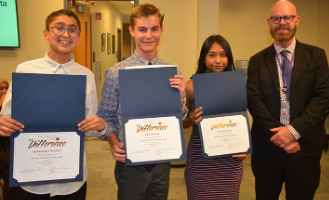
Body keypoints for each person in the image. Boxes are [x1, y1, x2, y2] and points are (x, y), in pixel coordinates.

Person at [0, 9, 107, 200]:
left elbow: (89, 128)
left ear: (78, 37)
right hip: (31, 178)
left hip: (71, 180)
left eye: (72, 30)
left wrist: (99, 125)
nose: (66, 34)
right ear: (46, 34)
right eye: (59, 28)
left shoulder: (86, 75)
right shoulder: (26, 70)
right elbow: (7, 118)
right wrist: (3, 124)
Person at [97, 4, 187, 200]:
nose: (149, 35)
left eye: (154, 29)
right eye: (142, 29)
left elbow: (180, 117)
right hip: (131, 162)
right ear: (132, 31)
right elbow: (105, 116)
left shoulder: (172, 73)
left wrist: (180, 98)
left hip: (162, 161)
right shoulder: (115, 73)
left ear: (161, 30)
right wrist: (113, 143)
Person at [247, 1, 329, 199]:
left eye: (287, 17)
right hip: (268, 148)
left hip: (304, 147)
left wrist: (292, 132)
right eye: (276, 18)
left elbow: (322, 97)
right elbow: (253, 100)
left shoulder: (316, 56)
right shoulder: (257, 60)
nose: (281, 22)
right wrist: (281, 136)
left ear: (296, 20)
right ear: (269, 22)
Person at [183, 35, 247, 200]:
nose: (218, 60)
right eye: (212, 55)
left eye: (223, 54)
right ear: (204, 58)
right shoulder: (190, 86)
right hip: (200, 156)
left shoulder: (237, 85)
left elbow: (241, 120)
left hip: (230, 158)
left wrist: (244, 147)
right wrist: (190, 120)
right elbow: (179, 124)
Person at [0, 76, 15, 200]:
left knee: (11, 171)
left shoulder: (11, 107)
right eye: (1, 88)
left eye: (7, 88)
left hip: (7, 154)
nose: (4, 91)